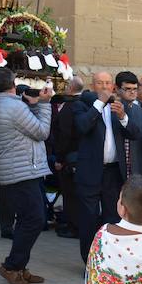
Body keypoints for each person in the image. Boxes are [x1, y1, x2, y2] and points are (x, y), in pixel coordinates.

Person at [0, 67, 52, 284]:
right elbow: (42, 132)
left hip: (22, 168)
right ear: (13, 83)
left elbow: (29, 129)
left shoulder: (4, 103)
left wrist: (33, 105)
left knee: (30, 218)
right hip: (22, 169)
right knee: (34, 219)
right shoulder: (13, 106)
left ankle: (19, 265)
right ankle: (12, 266)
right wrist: (44, 104)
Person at [73, 71, 142, 262]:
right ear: (93, 85)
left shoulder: (118, 106)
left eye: (107, 83)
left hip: (113, 172)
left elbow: (135, 133)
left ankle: (108, 259)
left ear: (112, 85)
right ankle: (89, 261)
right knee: (88, 217)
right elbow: (82, 126)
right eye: (99, 83)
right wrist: (99, 104)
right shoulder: (83, 104)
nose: (104, 87)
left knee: (112, 217)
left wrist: (122, 117)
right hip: (90, 171)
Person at [52, 76, 84, 238]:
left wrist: (59, 158)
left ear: (70, 88)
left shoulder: (69, 107)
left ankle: (74, 227)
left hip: (70, 158)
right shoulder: (87, 104)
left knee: (70, 194)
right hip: (84, 156)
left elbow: (64, 135)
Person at [116, 71, 142, 178]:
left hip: (137, 170)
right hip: (116, 170)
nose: (132, 92)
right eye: (128, 89)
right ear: (117, 89)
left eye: (135, 89)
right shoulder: (111, 110)